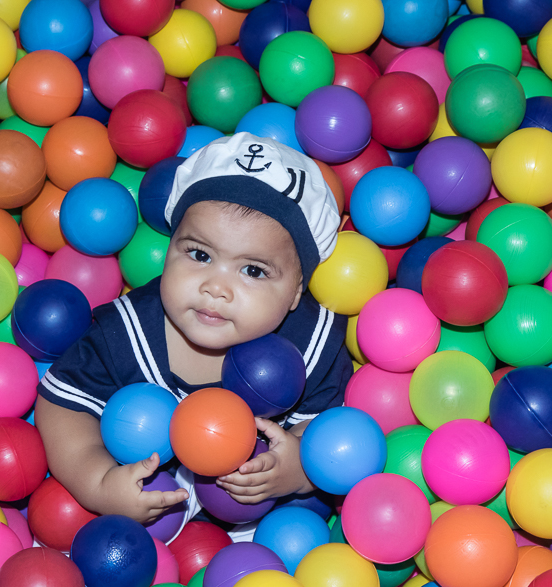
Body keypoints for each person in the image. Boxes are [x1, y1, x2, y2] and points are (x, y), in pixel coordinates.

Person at [35, 132, 352, 530]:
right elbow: (62, 403)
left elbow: (331, 424)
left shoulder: (310, 344)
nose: (215, 288)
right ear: (169, 248)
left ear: (295, 291)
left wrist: (302, 468)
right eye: (200, 255)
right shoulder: (127, 333)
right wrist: (98, 482)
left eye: (253, 270)